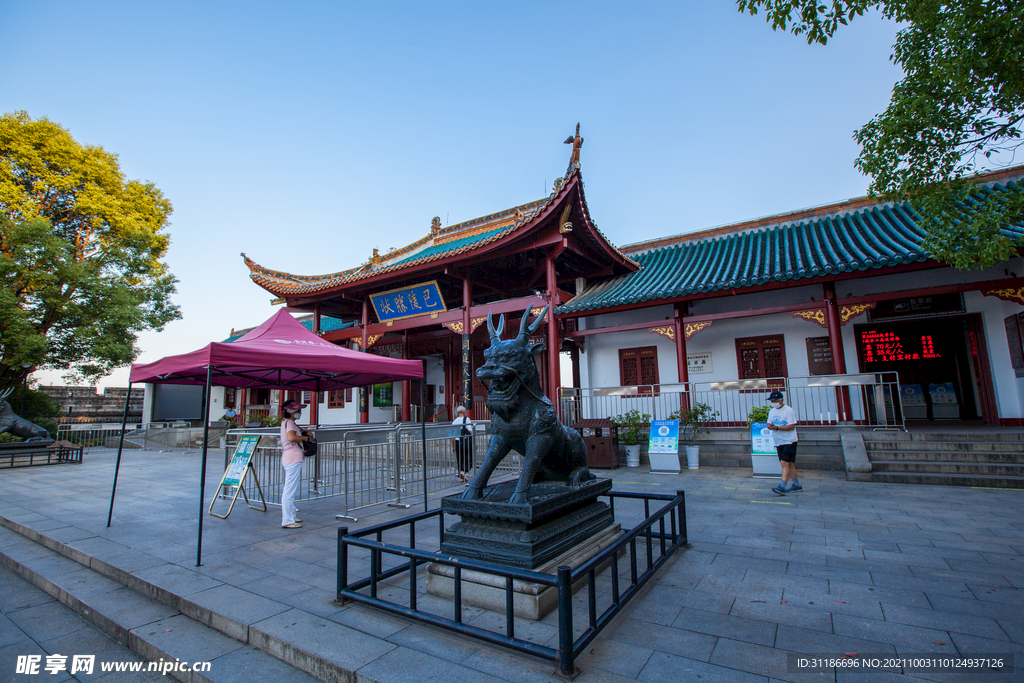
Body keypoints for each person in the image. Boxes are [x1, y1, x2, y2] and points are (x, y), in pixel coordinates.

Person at [279, 399, 312, 528]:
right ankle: (287, 520)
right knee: (289, 490)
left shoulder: (287, 423)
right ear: (292, 412)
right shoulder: (290, 424)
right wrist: (304, 438)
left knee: (290, 488)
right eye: (298, 410)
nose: (300, 412)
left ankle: (291, 515)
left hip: (290, 457)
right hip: (293, 457)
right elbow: (291, 438)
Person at [766, 390, 800, 495]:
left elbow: (791, 426)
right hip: (778, 440)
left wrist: (776, 427)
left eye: (775, 400)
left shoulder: (788, 411)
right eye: (772, 400)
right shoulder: (772, 411)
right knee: (789, 464)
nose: (773, 402)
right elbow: (769, 423)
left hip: (789, 440)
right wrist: (770, 427)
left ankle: (782, 486)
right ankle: (796, 484)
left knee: (784, 463)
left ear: (781, 400)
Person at [451, 405, 472, 483]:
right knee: (468, 457)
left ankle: (460, 476)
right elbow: (470, 431)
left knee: (459, 458)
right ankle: (464, 471)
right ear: (465, 412)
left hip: (457, 441)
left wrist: (453, 446)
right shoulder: (467, 419)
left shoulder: (454, 421)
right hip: (465, 440)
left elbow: (452, 436)